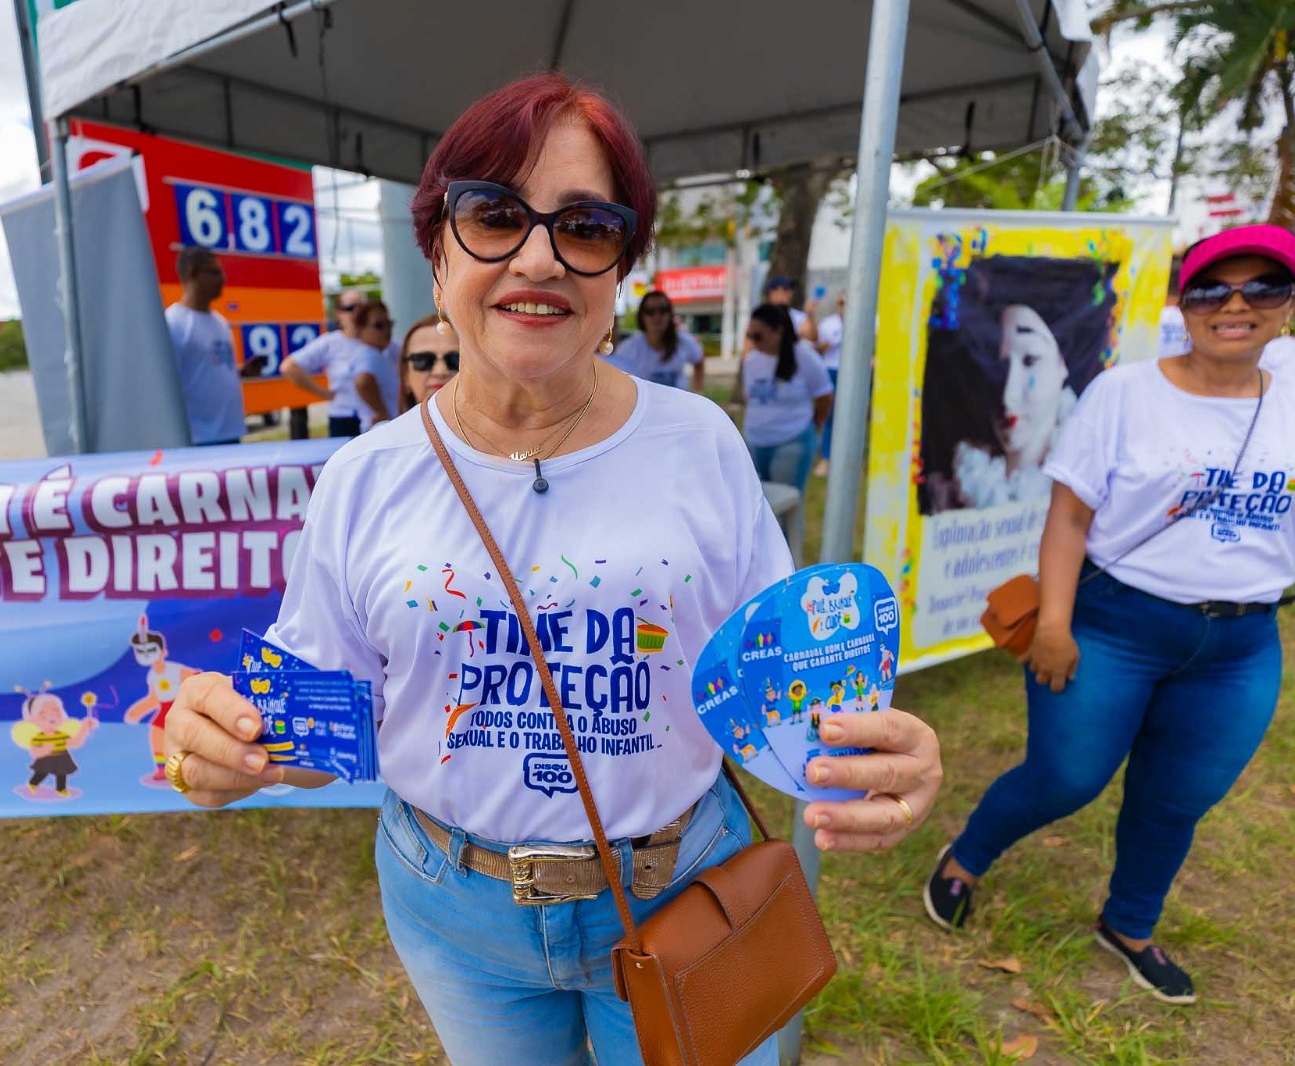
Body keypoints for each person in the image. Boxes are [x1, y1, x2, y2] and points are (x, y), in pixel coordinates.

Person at [161, 73, 942, 1066]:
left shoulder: (701, 443)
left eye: (584, 225)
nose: (537, 255)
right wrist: (228, 749)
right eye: (493, 213)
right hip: (454, 908)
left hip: (682, 886)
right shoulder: (362, 478)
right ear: (437, 250)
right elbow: (319, 729)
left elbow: (775, 691)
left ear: (618, 265)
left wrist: (878, 760)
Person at [925, 224, 1295, 1007]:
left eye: (1262, 287)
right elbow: (1067, 519)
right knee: (1066, 776)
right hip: (1117, 621)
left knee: (1177, 796)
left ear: (1286, 304)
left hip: (1241, 642)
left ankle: (1129, 924)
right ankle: (967, 856)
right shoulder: (1124, 393)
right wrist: (1054, 625)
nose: (1235, 305)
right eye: (1211, 289)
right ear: (1183, 303)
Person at [947, 304, 1076, 509]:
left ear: (1062, 363)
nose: (1008, 395)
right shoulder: (958, 486)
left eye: (1029, 360)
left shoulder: (1082, 476)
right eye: (997, 367)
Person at [734, 303, 834, 498]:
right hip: (755, 442)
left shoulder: (805, 358)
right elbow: (751, 399)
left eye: (758, 336)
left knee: (786, 505)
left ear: (778, 331)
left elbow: (825, 396)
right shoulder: (752, 361)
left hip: (791, 442)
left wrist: (815, 424)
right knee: (755, 504)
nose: (753, 342)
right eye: (749, 336)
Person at [165, 247, 247, 446]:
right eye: (215, 272)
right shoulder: (173, 323)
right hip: (200, 439)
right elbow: (167, 385)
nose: (223, 279)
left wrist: (242, 372)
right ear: (193, 273)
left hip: (230, 432)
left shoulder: (220, 321)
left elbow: (210, 369)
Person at [281, 288, 374, 437]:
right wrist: (323, 393)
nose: (356, 313)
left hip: (374, 418)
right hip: (344, 417)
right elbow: (289, 367)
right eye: (349, 308)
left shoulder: (377, 340)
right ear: (339, 314)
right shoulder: (330, 342)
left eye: (361, 307)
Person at [609, 289, 705, 391]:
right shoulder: (629, 348)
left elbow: (699, 361)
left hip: (678, 404)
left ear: (670, 314)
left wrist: (698, 391)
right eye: (650, 311)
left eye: (663, 310)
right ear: (642, 317)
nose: (657, 316)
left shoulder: (683, 341)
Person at [351, 300, 401, 430]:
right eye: (379, 326)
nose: (387, 330)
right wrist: (381, 413)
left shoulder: (381, 353)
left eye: (389, 324)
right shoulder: (368, 354)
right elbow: (362, 382)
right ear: (361, 329)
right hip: (381, 427)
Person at [397, 313, 460, 410]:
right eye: (424, 360)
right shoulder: (390, 426)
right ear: (405, 374)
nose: (440, 371)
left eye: (454, 359)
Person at [813, 292, 845, 476]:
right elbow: (817, 349)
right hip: (831, 371)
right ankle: (826, 458)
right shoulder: (828, 324)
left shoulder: (868, 320)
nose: (844, 307)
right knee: (831, 417)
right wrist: (823, 346)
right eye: (841, 303)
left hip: (857, 372)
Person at [764, 276, 818, 343]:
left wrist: (809, 314)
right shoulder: (761, 315)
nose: (790, 293)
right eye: (785, 289)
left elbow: (812, 337)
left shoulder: (797, 315)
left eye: (791, 290)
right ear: (772, 292)